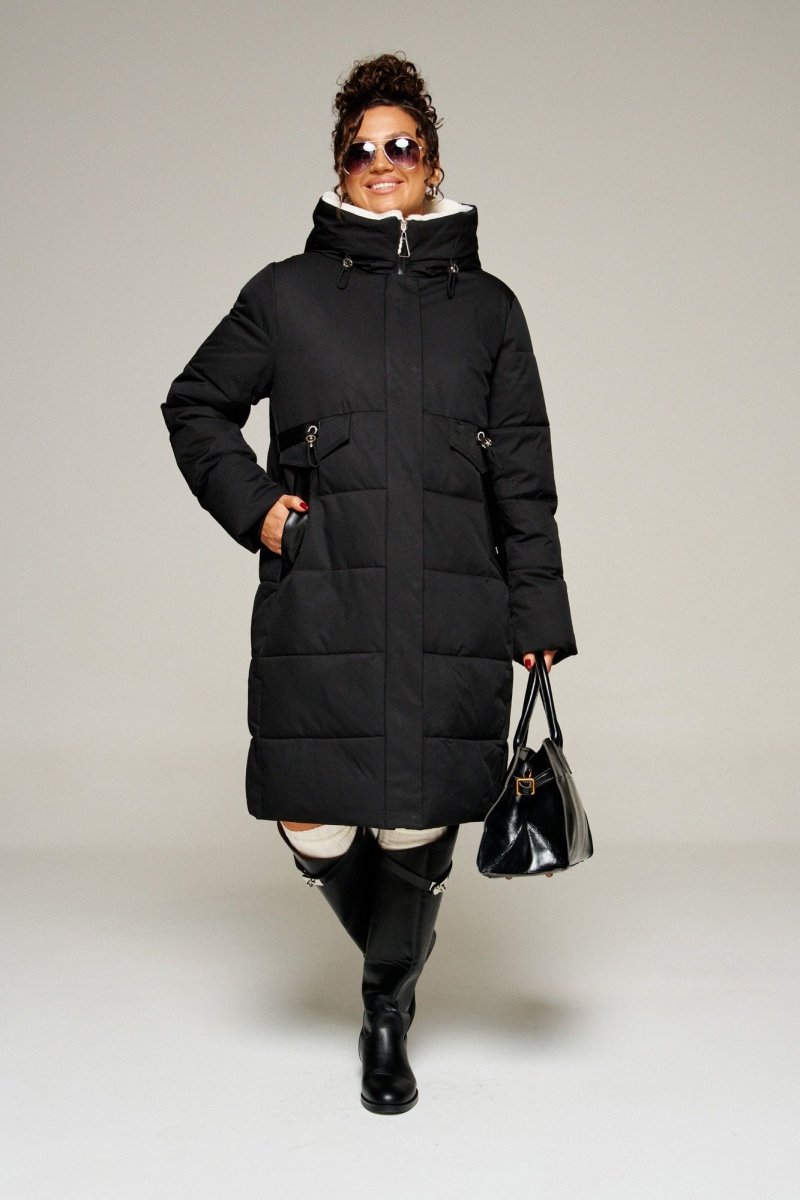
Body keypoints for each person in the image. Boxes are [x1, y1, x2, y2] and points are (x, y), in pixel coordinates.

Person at [161, 52, 578, 1115]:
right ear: (339, 168)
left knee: (409, 824)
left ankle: (384, 1007)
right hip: (324, 598)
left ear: (432, 162)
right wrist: (260, 510)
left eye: (401, 144)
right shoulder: (284, 294)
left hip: (452, 602)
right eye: (361, 149)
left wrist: (536, 610)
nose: (380, 160)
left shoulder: (490, 309)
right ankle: (400, 956)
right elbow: (195, 405)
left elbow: (523, 478)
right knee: (313, 818)